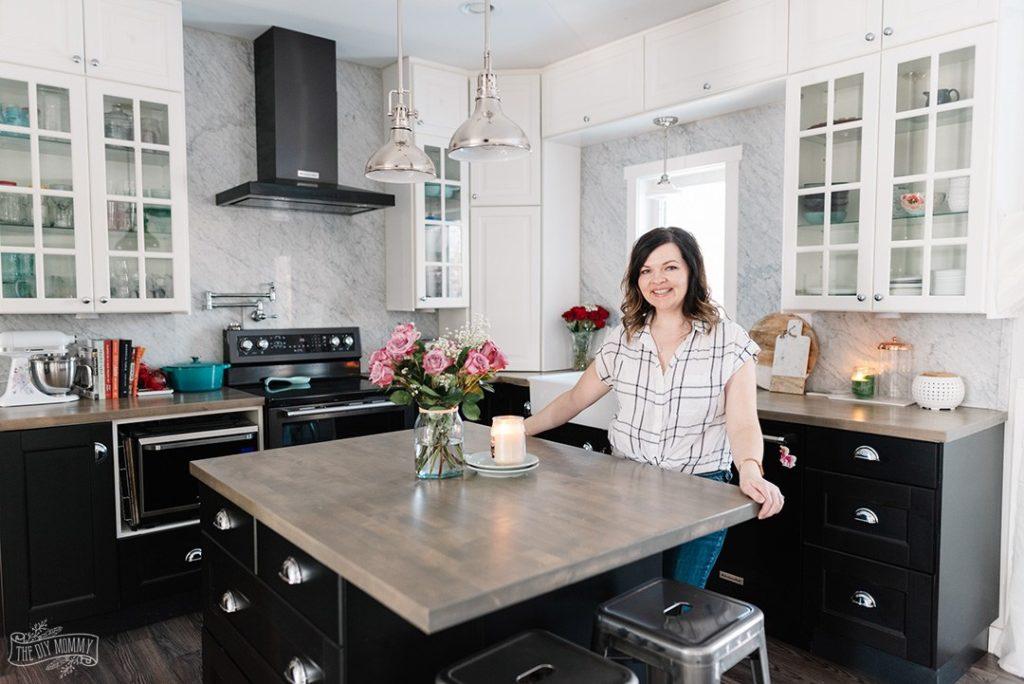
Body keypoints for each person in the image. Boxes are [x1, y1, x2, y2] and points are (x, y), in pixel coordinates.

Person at [524, 226, 784, 588]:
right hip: (627, 488)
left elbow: (742, 423)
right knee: (630, 594)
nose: (657, 279)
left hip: (700, 492)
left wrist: (751, 471)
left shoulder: (728, 339)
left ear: (692, 272)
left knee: (677, 599)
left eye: (670, 268)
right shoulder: (624, 339)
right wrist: (519, 430)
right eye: (646, 270)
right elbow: (573, 400)